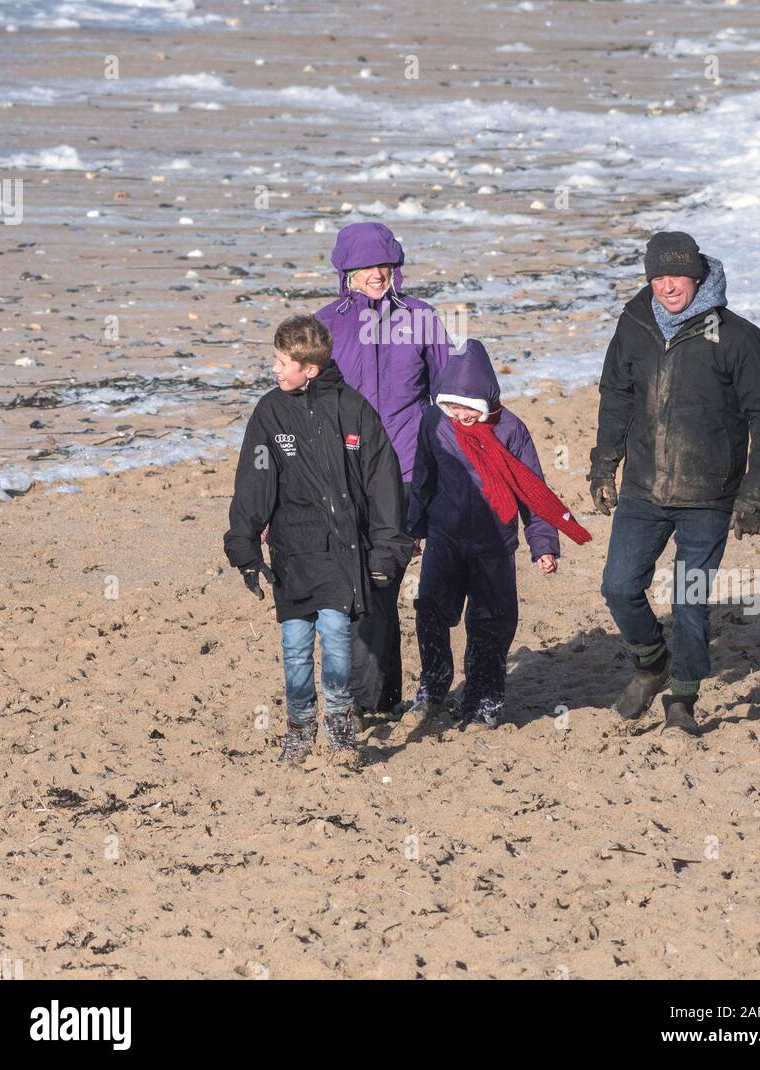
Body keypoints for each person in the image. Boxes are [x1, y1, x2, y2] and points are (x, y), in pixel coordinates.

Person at [589, 231, 760, 736]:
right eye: (657, 275)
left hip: (710, 496)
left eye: (676, 274)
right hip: (643, 489)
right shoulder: (633, 325)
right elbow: (615, 395)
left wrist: (755, 494)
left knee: (689, 599)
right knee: (617, 586)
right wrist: (603, 463)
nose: (667, 285)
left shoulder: (739, 337)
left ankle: (682, 698)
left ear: (698, 276)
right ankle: (652, 662)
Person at [223, 315, 412, 766]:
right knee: (294, 645)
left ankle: (341, 727)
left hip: (343, 554)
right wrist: (246, 550)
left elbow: (383, 484)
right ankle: (299, 727)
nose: (275, 370)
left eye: (282, 362)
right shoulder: (269, 411)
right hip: (292, 554)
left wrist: (387, 550)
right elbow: (254, 483)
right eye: (275, 360)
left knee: (336, 638)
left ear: (310, 367)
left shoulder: (353, 408)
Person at [401, 339, 591, 733]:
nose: (460, 415)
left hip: (495, 546)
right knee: (432, 612)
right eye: (453, 406)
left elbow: (533, 490)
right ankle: (432, 689)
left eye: (468, 408)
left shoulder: (512, 430)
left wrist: (544, 545)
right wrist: (414, 530)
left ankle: (484, 701)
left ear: (488, 402)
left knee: (492, 623)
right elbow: (423, 479)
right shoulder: (434, 423)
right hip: (445, 539)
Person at [315, 221, 452, 719]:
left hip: (410, 470)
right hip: (347, 473)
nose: (377, 273)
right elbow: (309, 404)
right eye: (366, 266)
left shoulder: (422, 318)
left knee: (382, 578)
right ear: (345, 270)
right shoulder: (325, 323)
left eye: (385, 264)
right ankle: (380, 696)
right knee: (361, 584)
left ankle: (375, 697)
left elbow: (449, 392)